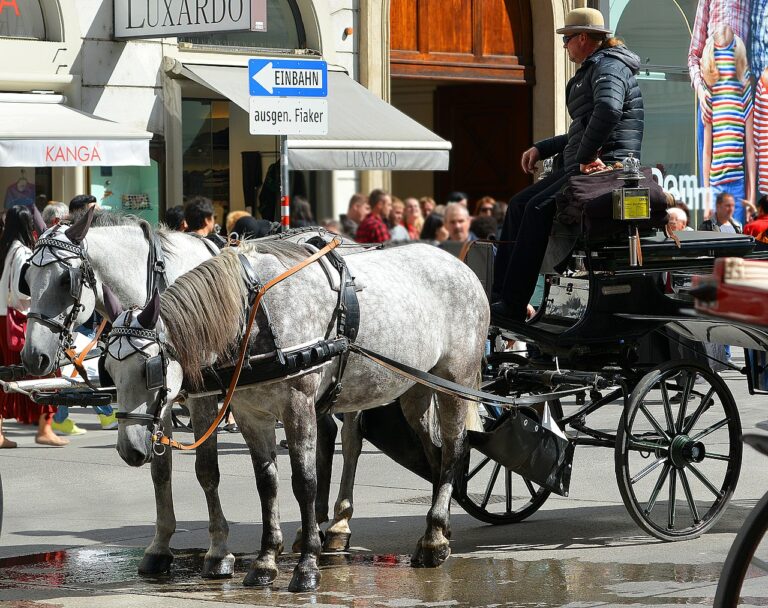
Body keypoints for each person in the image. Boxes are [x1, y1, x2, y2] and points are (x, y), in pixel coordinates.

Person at [492, 8, 644, 325]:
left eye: (567, 38)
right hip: (580, 164)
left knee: (535, 209)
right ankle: (502, 298)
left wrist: (588, 156)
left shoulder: (609, 66)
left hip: (609, 167)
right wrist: (542, 147)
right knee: (520, 205)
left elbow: (609, 109)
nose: (564, 45)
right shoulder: (596, 67)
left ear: (584, 38)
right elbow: (584, 127)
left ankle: (515, 303)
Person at [0, 206, 67, 447]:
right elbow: (22, 290)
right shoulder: (23, 253)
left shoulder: (5, 249)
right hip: (19, 319)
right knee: (48, 371)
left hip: (3, 318)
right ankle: (44, 428)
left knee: (5, 376)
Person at [699, 25, 755, 223]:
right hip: (716, 183)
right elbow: (706, 151)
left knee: (737, 239)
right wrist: (707, 199)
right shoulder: (710, 95)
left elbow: (750, 149)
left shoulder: (743, 92)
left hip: (737, 183)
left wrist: (751, 198)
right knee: (717, 242)